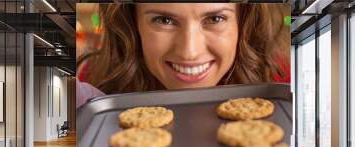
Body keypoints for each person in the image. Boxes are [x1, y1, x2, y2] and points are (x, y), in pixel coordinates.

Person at [77, 3, 290, 107]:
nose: (190, 52)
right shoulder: (93, 83)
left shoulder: (285, 81)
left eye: (215, 19)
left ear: (243, 22)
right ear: (133, 25)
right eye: (164, 20)